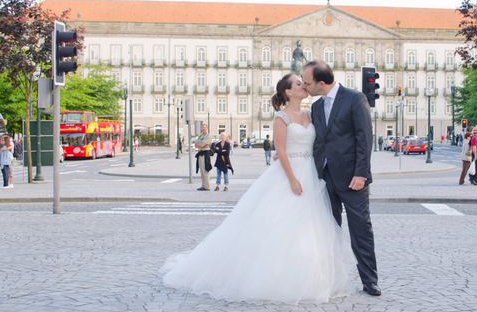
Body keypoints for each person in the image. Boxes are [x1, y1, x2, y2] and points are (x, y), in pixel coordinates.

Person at [161, 73, 353, 304]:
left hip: (310, 172)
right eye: (299, 84)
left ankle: (310, 276)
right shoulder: (281, 118)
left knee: (309, 227)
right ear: (289, 92)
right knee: (278, 224)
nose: (304, 86)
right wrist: (292, 179)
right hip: (289, 173)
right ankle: (275, 277)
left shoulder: (311, 114)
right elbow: (280, 150)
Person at [302, 60, 380, 297]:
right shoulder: (315, 107)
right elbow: (319, 142)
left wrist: (361, 174)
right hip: (324, 179)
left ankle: (370, 281)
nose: (305, 87)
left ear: (322, 82)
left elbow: (365, 138)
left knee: (361, 229)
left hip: (352, 178)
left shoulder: (355, 99)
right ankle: (331, 279)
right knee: (328, 231)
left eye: (307, 83)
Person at [194, 124, 212, 191]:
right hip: (200, 153)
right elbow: (195, 144)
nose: (203, 129)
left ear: (207, 128)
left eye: (205, 128)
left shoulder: (208, 136)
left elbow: (204, 145)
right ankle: (203, 185)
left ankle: (207, 186)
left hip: (205, 153)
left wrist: (200, 145)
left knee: (205, 170)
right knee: (201, 171)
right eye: (202, 128)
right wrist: (200, 145)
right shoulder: (201, 136)